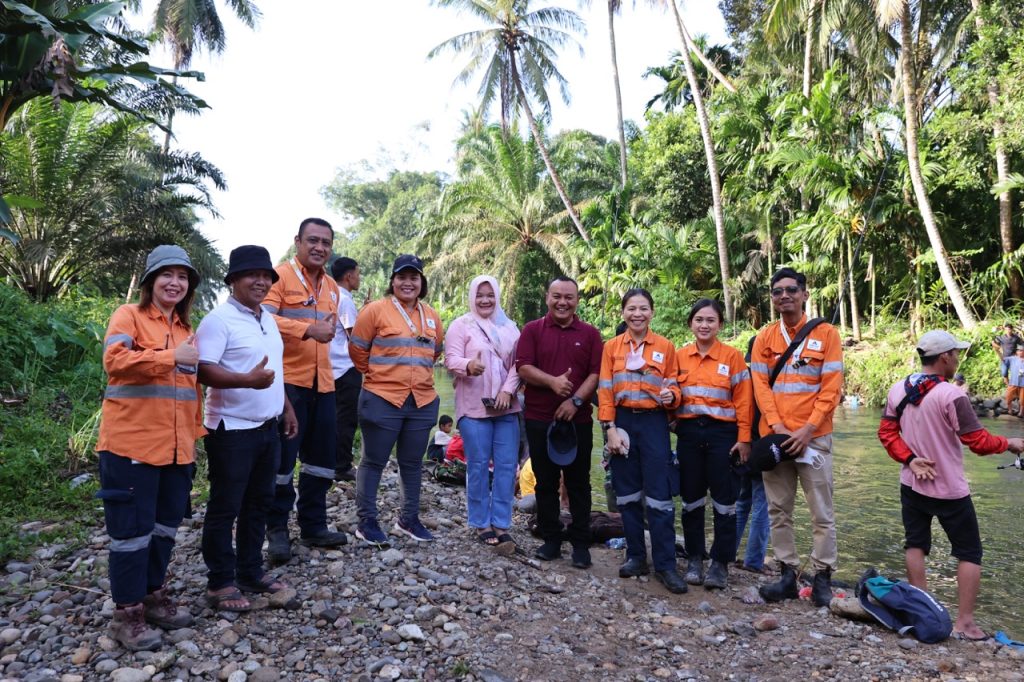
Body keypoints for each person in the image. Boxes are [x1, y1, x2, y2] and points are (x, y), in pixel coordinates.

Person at [878, 330, 1024, 641]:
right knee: (970, 553)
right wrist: (1010, 442)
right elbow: (978, 442)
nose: (957, 358)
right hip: (949, 490)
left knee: (915, 544)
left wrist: (910, 459)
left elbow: (887, 433)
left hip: (912, 482)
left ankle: (922, 611)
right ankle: (966, 623)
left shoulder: (899, 389)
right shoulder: (952, 395)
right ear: (945, 357)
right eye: (955, 354)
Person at [95, 245, 203, 651]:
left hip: (176, 450)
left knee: (163, 530)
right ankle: (126, 615)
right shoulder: (129, 316)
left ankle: (153, 595)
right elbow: (115, 360)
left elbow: (190, 392)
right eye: (167, 275)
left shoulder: (186, 329)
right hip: (131, 446)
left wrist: (193, 439)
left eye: (183, 277)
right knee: (130, 534)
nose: (175, 283)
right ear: (150, 281)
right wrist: (171, 356)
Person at [195, 246, 299, 611]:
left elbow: (275, 372)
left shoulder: (266, 318)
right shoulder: (217, 320)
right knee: (226, 506)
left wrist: (285, 407)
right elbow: (202, 369)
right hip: (231, 429)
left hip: (267, 427)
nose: (261, 281)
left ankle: (250, 571)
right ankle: (220, 581)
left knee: (259, 502)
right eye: (251, 275)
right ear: (234, 280)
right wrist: (245, 381)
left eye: (266, 276)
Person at [750, 267, 844, 607]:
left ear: (804, 294)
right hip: (775, 438)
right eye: (777, 291)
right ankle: (787, 575)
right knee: (779, 510)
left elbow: (832, 387)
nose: (784, 295)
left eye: (791, 289)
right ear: (772, 298)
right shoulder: (764, 339)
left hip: (814, 438)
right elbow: (760, 388)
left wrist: (808, 429)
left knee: (822, 512)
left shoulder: (827, 335)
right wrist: (778, 428)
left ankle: (822, 578)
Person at [263, 218, 347, 564]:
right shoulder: (278, 277)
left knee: (321, 461)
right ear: (297, 241)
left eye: (326, 242)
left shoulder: (332, 287)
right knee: (282, 462)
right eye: (313, 240)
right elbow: (261, 319)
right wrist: (305, 330)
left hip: (323, 383)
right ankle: (277, 530)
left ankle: (314, 525)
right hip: (288, 383)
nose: (319, 248)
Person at [350, 254, 444, 547]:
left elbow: (435, 352)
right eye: (402, 277)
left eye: (413, 277)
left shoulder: (432, 315)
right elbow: (357, 352)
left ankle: (408, 519)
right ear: (392, 282)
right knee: (373, 461)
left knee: (412, 463)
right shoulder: (374, 311)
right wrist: (380, 376)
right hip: (382, 398)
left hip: (422, 400)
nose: (408, 283)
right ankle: (366, 522)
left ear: (421, 283)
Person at [598, 288, 686, 593]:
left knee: (660, 495)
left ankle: (665, 564)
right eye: (631, 308)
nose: (637, 314)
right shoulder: (611, 348)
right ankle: (635, 555)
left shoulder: (665, 346)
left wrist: (671, 396)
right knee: (627, 494)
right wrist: (609, 428)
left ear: (652, 312)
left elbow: (675, 386)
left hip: (654, 423)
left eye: (643, 308)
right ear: (623, 313)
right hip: (621, 421)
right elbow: (605, 389)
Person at [515, 276, 603, 569]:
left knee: (579, 483)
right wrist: (552, 382)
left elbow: (595, 373)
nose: (562, 302)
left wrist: (575, 400)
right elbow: (523, 367)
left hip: (578, 420)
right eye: (557, 296)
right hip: (539, 418)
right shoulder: (532, 330)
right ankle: (550, 539)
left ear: (577, 300)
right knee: (546, 482)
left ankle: (581, 542)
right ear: (547, 297)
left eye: (569, 297)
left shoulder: (590, 334)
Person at [675, 298, 753, 590]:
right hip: (689, 433)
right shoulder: (679, 356)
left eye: (710, 320)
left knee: (725, 502)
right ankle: (695, 558)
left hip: (724, 435)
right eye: (699, 320)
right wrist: (673, 418)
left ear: (720, 324)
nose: (704, 325)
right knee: (691, 498)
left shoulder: (732, 357)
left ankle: (720, 563)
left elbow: (745, 402)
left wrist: (744, 439)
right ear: (691, 324)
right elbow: (671, 392)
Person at [445, 275, 522, 551]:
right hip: (474, 407)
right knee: (477, 466)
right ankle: (481, 522)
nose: (485, 300)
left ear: (497, 295)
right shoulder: (461, 325)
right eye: (480, 295)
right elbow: (450, 359)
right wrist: (469, 365)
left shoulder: (511, 327)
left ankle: (501, 522)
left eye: (490, 294)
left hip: (506, 406)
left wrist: (507, 391)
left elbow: (520, 364)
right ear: (472, 296)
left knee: (506, 466)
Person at [330, 256, 362, 482]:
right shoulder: (345, 299)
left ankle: (332, 462)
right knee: (347, 418)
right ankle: (341, 466)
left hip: (332, 366)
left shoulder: (331, 295)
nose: (359, 278)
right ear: (349, 276)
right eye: (358, 273)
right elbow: (355, 337)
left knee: (335, 417)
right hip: (346, 366)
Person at [1001, 344, 1024, 418]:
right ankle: (1010, 410)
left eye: (1021, 351)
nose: (1019, 352)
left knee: (1022, 399)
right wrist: (998, 351)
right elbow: (1003, 359)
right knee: (1008, 396)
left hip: (1023, 383)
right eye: (1018, 351)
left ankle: (1021, 412)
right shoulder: (1012, 359)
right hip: (1013, 382)